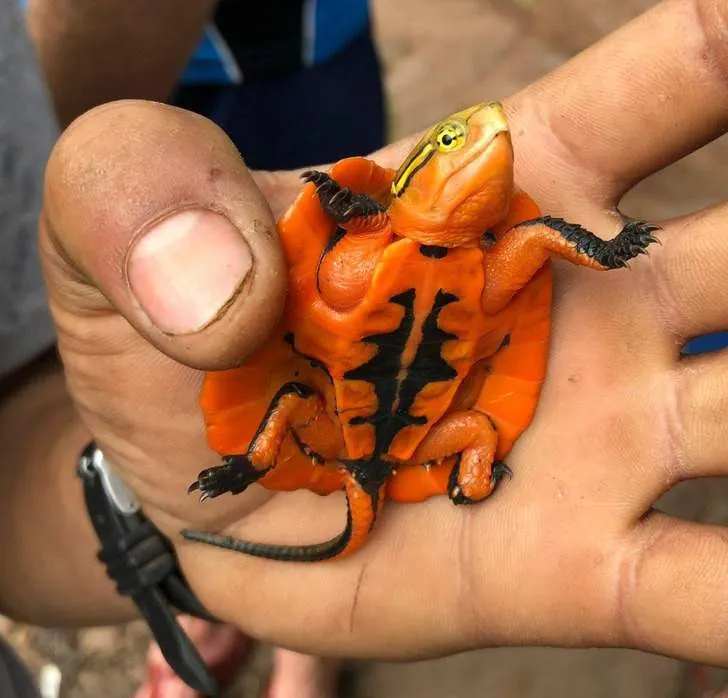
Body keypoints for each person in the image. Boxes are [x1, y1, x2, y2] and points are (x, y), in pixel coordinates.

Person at [5, 3, 728, 698]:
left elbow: (534, 237)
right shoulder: (384, 244)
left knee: (310, 404)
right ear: (412, 182)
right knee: (396, 419)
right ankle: (268, 470)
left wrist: (608, 252)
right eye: (454, 141)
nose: (484, 141)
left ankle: (292, 481)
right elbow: (347, 276)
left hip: (377, 430)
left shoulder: (466, 261)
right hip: (402, 434)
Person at [19, 1, 386, 695]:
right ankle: (226, 594)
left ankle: (310, 653)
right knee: (183, 330)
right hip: (112, 69)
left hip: (281, 52)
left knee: (309, 291)